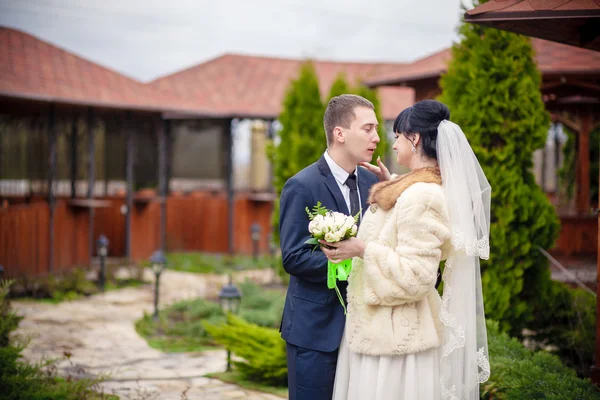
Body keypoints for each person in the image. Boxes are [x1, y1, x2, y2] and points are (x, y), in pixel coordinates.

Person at [323, 99, 491, 400]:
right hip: (382, 333)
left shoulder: (422, 196)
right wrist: (392, 186)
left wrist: (362, 249)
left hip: (397, 348)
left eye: (397, 134)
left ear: (414, 139)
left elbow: (418, 276)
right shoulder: (414, 190)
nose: (391, 141)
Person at [278, 94, 388, 400]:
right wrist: (351, 265)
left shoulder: (370, 184)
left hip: (364, 333)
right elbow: (293, 257)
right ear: (339, 133)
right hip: (315, 332)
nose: (376, 138)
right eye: (367, 129)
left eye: (376, 129)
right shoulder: (301, 185)